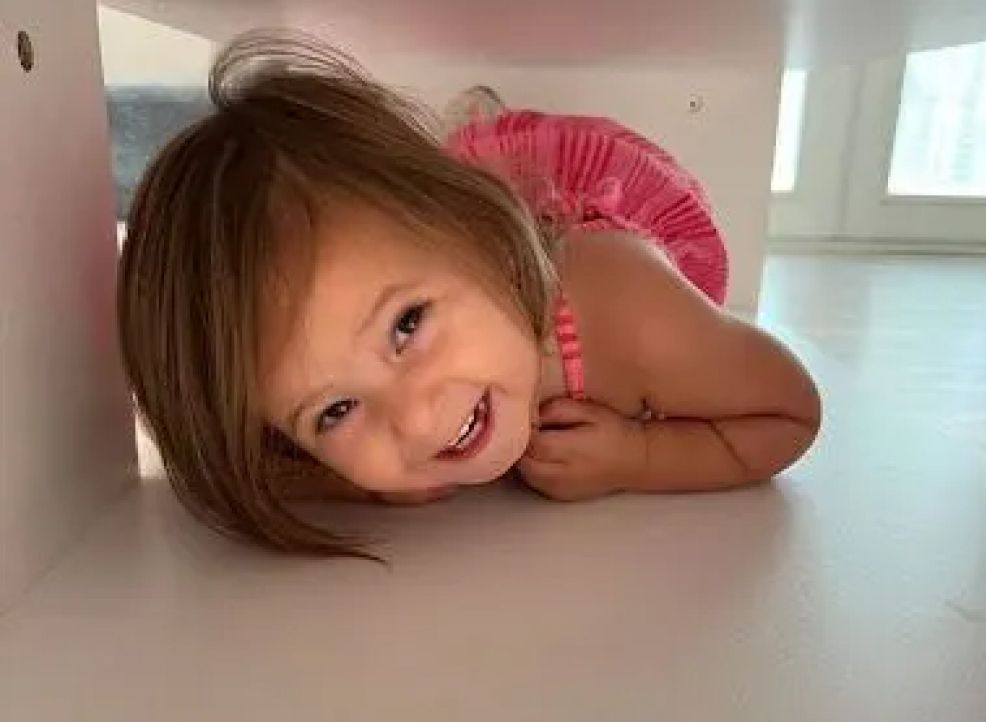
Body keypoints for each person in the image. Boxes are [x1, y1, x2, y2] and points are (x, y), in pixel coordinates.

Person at [117, 30, 821, 558]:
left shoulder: (634, 317)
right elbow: (251, 468)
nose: (418, 423)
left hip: (614, 204)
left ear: (481, 232)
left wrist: (637, 456)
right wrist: (362, 477)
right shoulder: (329, 369)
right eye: (335, 410)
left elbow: (789, 414)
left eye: (407, 325)